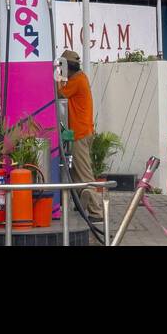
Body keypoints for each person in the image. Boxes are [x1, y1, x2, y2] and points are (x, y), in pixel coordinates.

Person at [57, 49, 101, 222]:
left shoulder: (78, 80)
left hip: (80, 133)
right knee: (76, 173)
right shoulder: (78, 79)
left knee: (83, 174)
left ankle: (97, 211)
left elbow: (59, 93)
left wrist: (57, 76)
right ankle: (81, 209)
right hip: (80, 132)